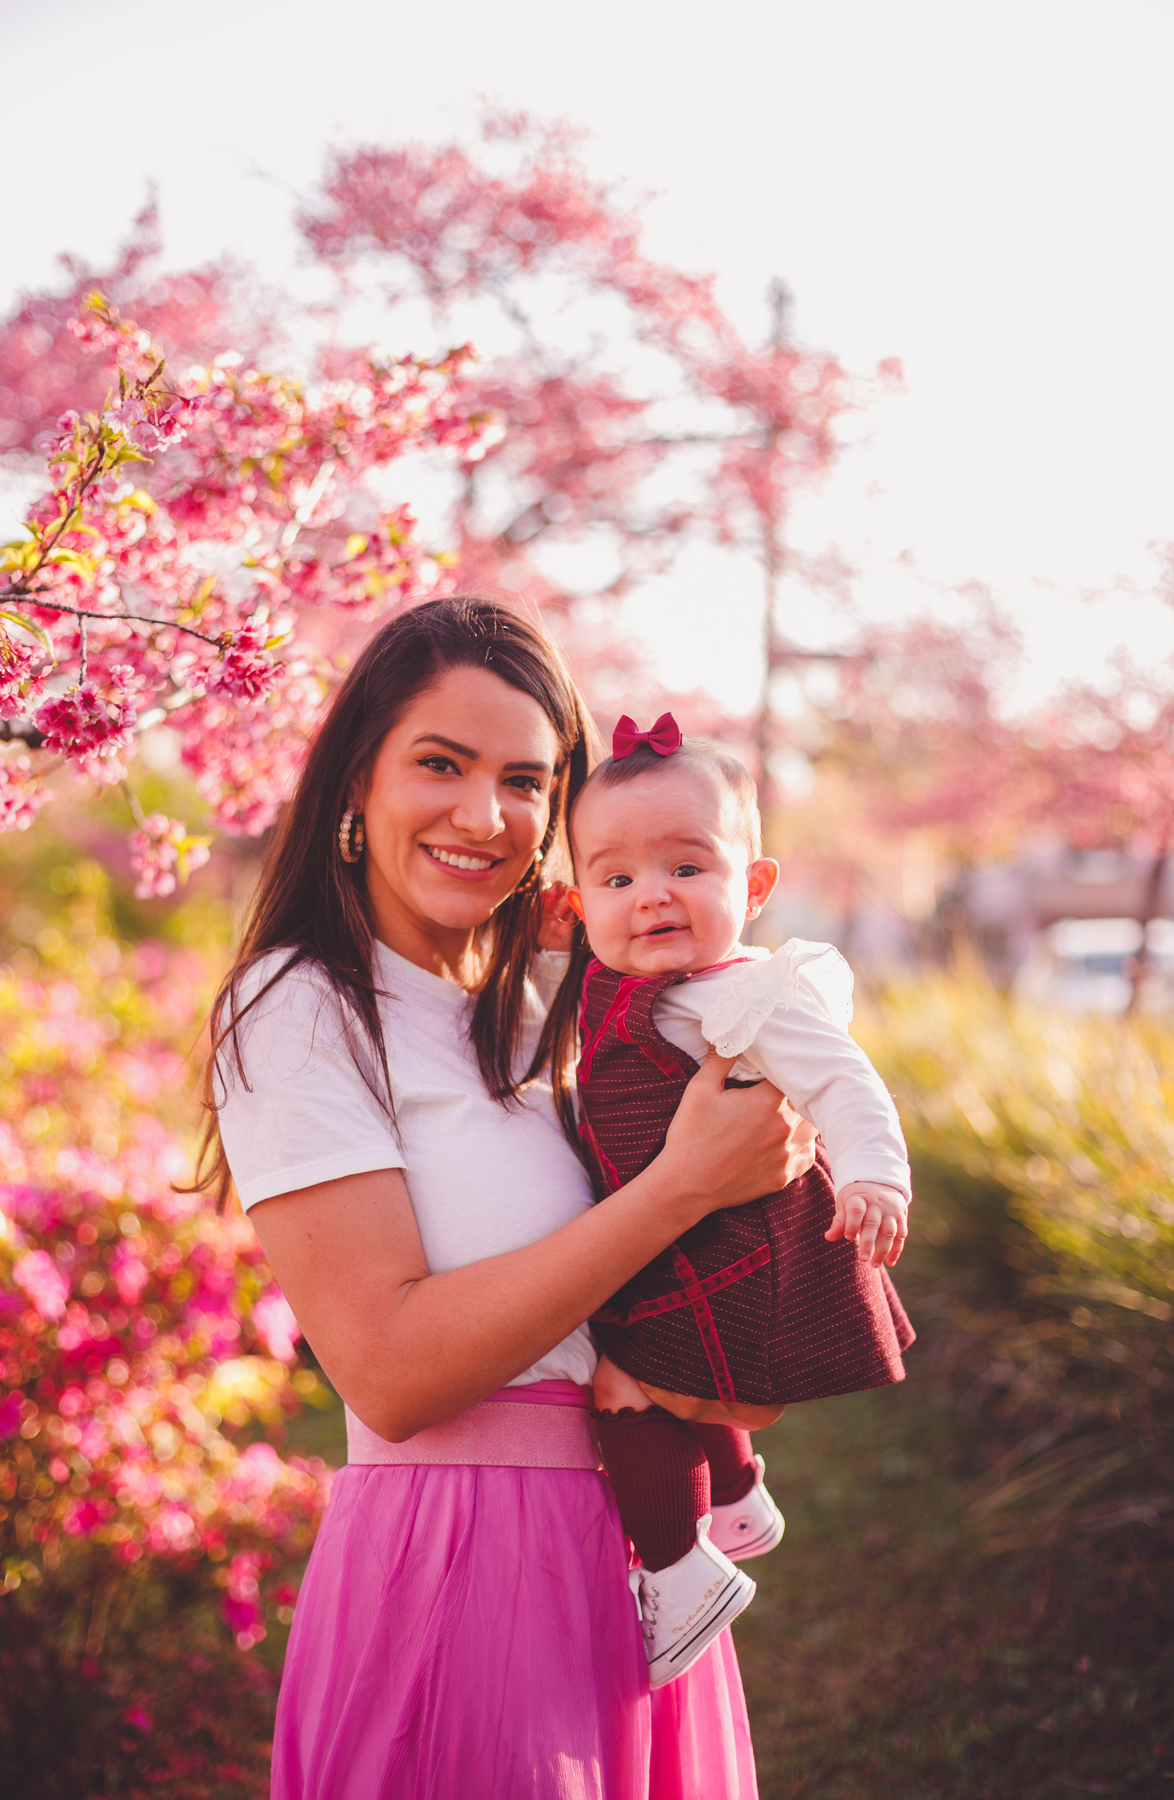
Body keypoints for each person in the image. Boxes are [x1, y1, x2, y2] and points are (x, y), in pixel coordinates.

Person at [199, 599, 818, 1800]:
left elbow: (680, 1327)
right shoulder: (301, 1009)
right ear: (356, 778)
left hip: (640, 1558)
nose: (485, 817)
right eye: (441, 764)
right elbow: (390, 1370)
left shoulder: (546, 1013)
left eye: (527, 782)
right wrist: (686, 1187)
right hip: (459, 1559)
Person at [535, 714, 915, 1688]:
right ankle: (738, 1496)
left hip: (730, 1252)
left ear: (752, 886)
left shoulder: (749, 995)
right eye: (616, 879)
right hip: (678, 1237)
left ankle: (679, 1571)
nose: (651, 896)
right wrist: (546, 953)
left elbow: (845, 1082)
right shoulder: (612, 978)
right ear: (584, 902)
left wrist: (876, 1175)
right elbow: (562, 1011)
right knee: (663, 1375)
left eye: (686, 868)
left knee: (624, 1389)